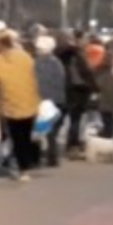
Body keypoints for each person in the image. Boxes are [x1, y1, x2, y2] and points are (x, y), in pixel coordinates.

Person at [0, 30, 42, 178]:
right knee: (26, 135)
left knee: (16, 135)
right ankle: (25, 165)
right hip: (30, 101)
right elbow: (34, 75)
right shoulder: (25, 57)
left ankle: (21, 166)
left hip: (9, 104)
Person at [31, 34, 66, 169]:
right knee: (52, 131)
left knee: (37, 130)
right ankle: (53, 156)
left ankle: (35, 157)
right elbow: (61, 82)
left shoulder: (35, 63)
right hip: (56, 99)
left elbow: (34, 81)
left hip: (39, 99)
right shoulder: (57, 63)